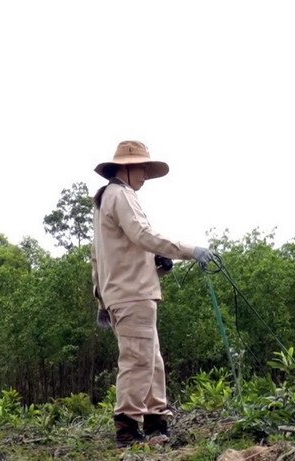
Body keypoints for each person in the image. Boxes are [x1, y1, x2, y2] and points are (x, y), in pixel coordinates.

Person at [91, 140, 214, 447]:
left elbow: (105, 256)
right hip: (132, 295)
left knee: (151, 360)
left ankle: (157, 421)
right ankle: (128, 429)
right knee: (137, 361)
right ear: (126, 168)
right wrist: (190, 250)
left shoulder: (107, 199)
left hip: (126, 293)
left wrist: (156, 265)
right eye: (142, 168)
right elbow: (143, 235)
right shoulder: (121, 195)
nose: (145, 175)